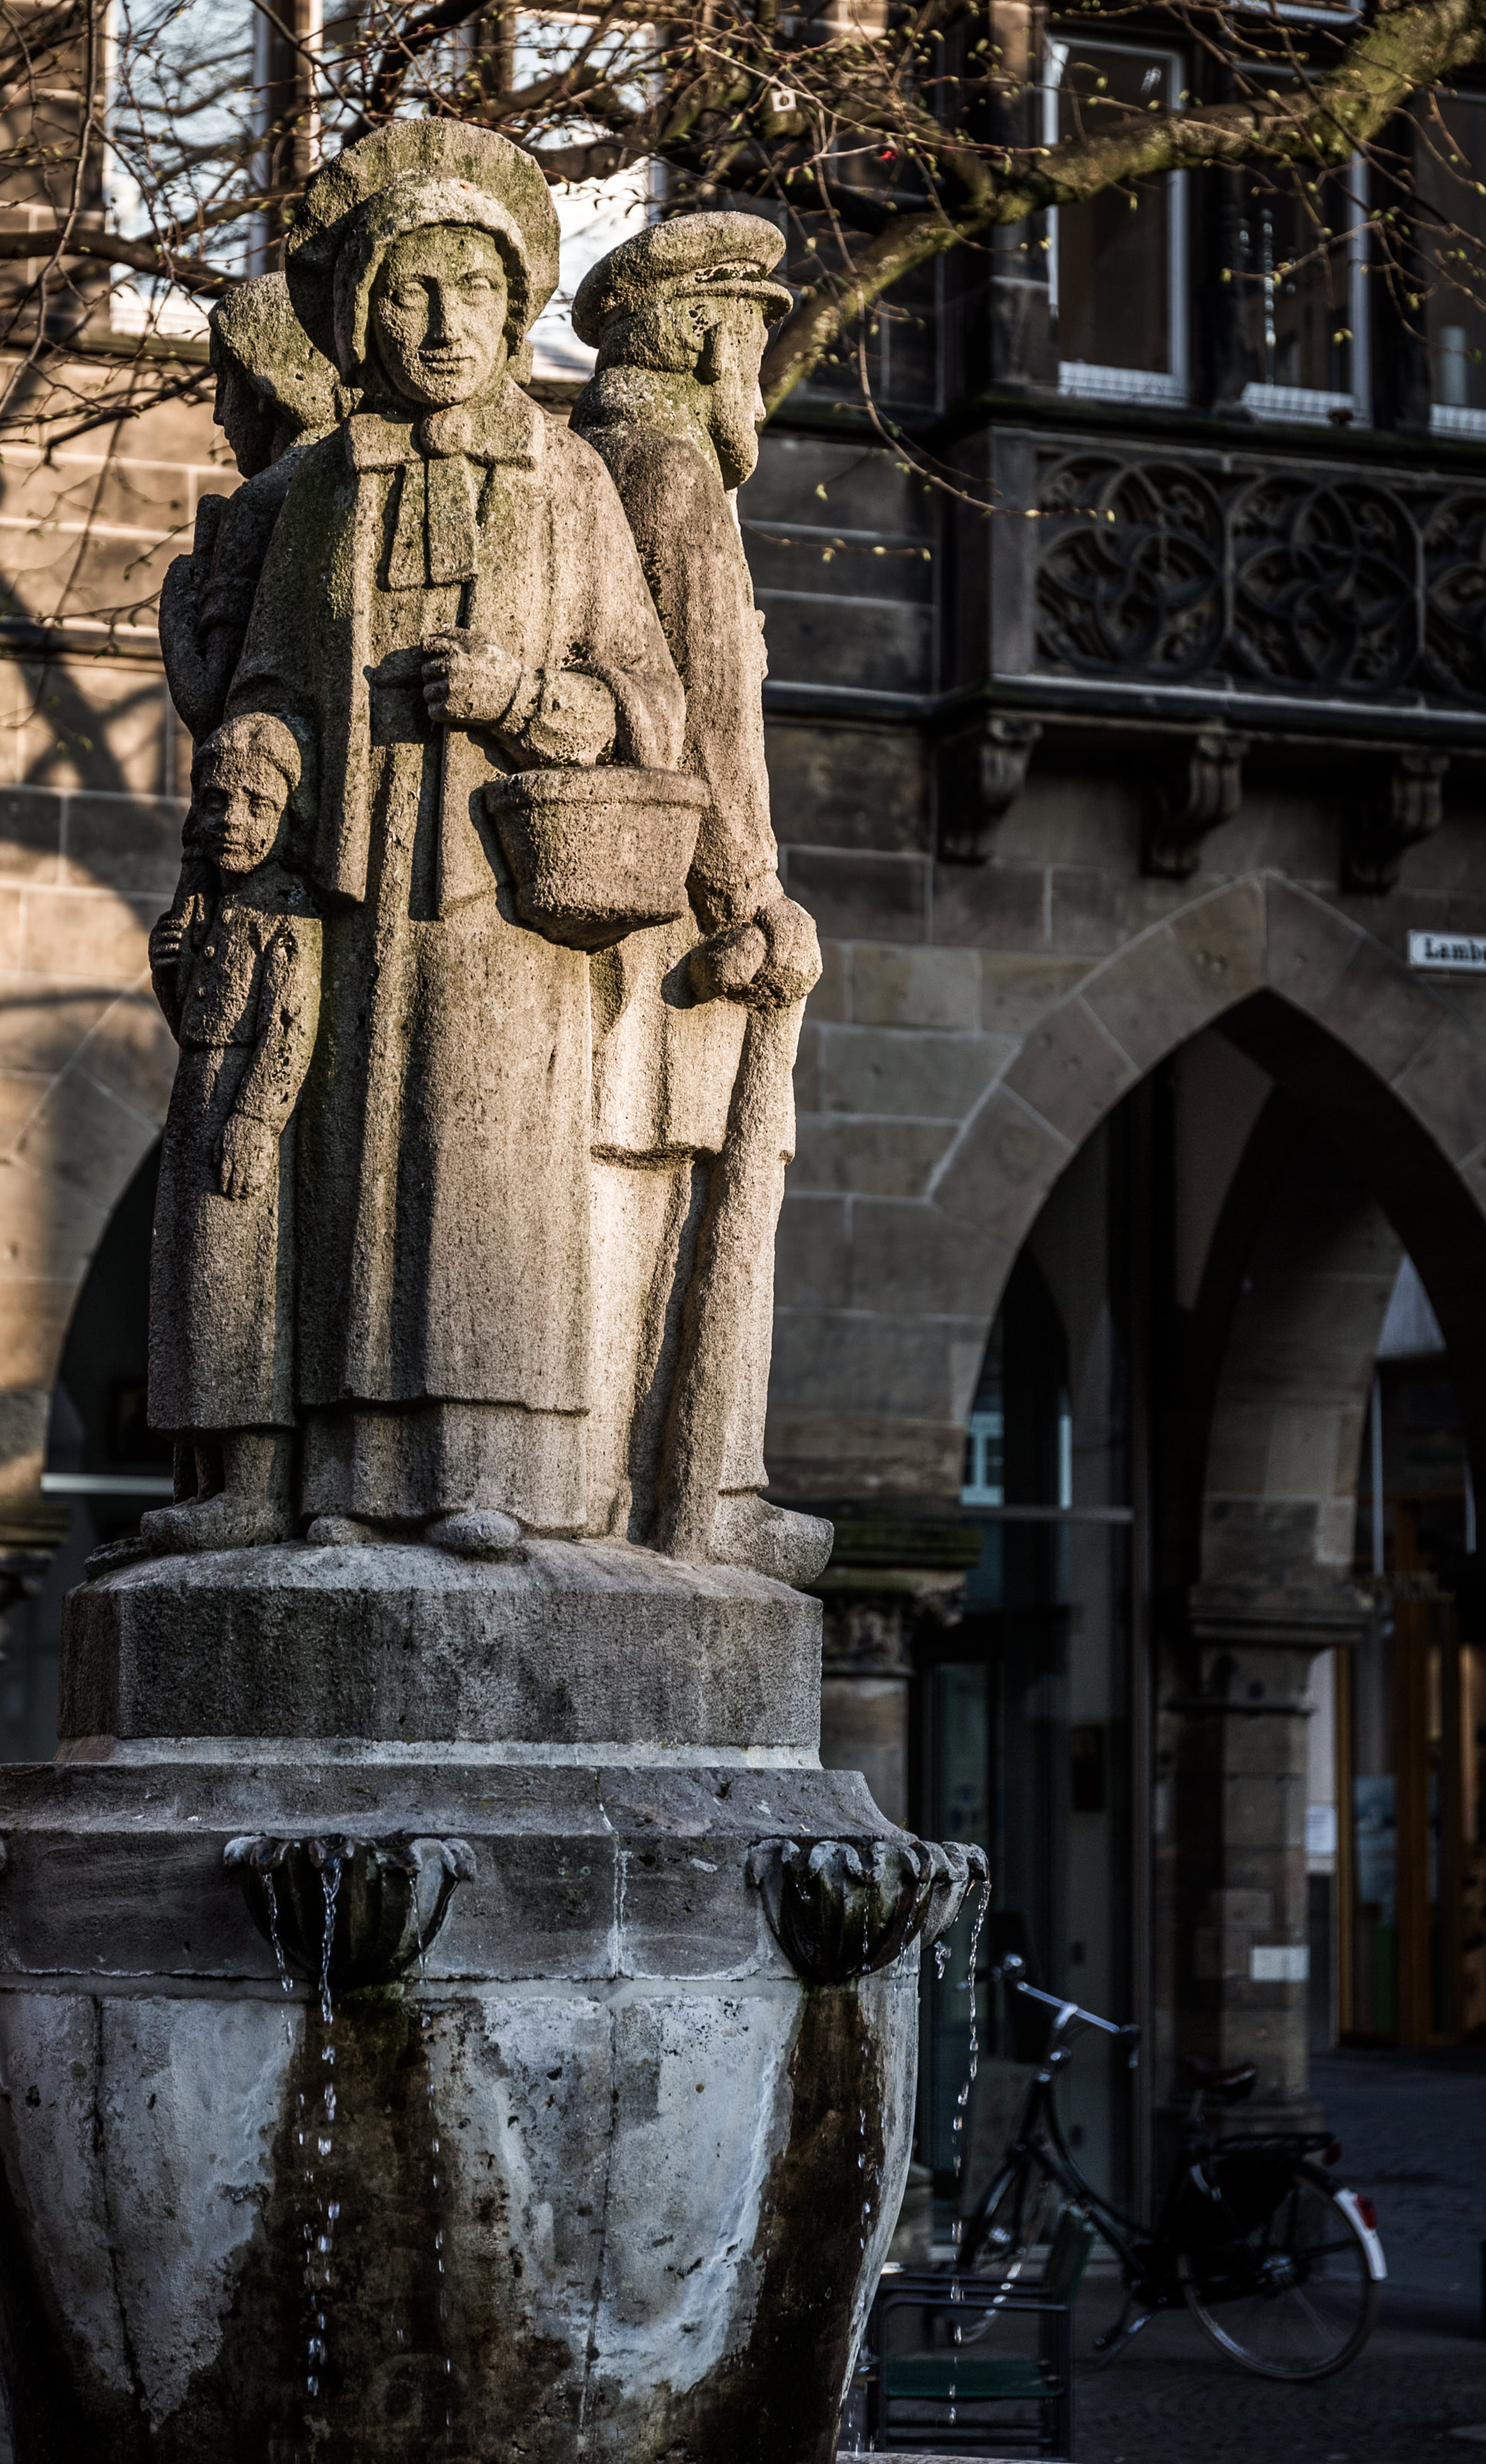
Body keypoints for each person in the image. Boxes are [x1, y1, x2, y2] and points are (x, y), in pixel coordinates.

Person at [229, 121, 686, 1547]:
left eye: (472, 293)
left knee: (487, 1179)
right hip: (355, 894)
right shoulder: (321, 487)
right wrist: (260, 748)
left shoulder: (567, 480)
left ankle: (493, 1480)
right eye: (412, 294)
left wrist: (524, 699)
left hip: (504, 895)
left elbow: (646, 695)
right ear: (366, 315)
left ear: (512, 307)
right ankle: (355, 1481)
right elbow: (268, 679)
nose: (442, 326)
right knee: (355, 1180)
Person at [570, 214, 831, 1584]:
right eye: (750, 342)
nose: (759, 383)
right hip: (676, 915)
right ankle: (676, 1496)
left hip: (636, 898)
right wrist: (752, 897)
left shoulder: (599, 457)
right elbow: (708, 715)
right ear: (700, 334)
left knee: (646, 1190)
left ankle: (653, 1487)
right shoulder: (667, 470)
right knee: (670, 1185)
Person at [141, 712, 322, 1552]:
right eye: (214, 801)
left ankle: (251, 1488)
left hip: (234, 1114)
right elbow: (193, 1021)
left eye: (255, 804)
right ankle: (204, 1479)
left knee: (233, 1291)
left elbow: (289, 1027)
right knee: (187, 1288)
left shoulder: (285, 910)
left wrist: (255, 1118)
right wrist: (168, 971)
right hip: (194, 1102)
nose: (230, 821)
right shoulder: (213, 909)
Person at [158, 272, 339, 750]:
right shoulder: (360, 476)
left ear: (264, 389)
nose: (219, 413)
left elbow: (210, 704)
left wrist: (180, 592)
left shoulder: (262, 501)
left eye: (225, 382)